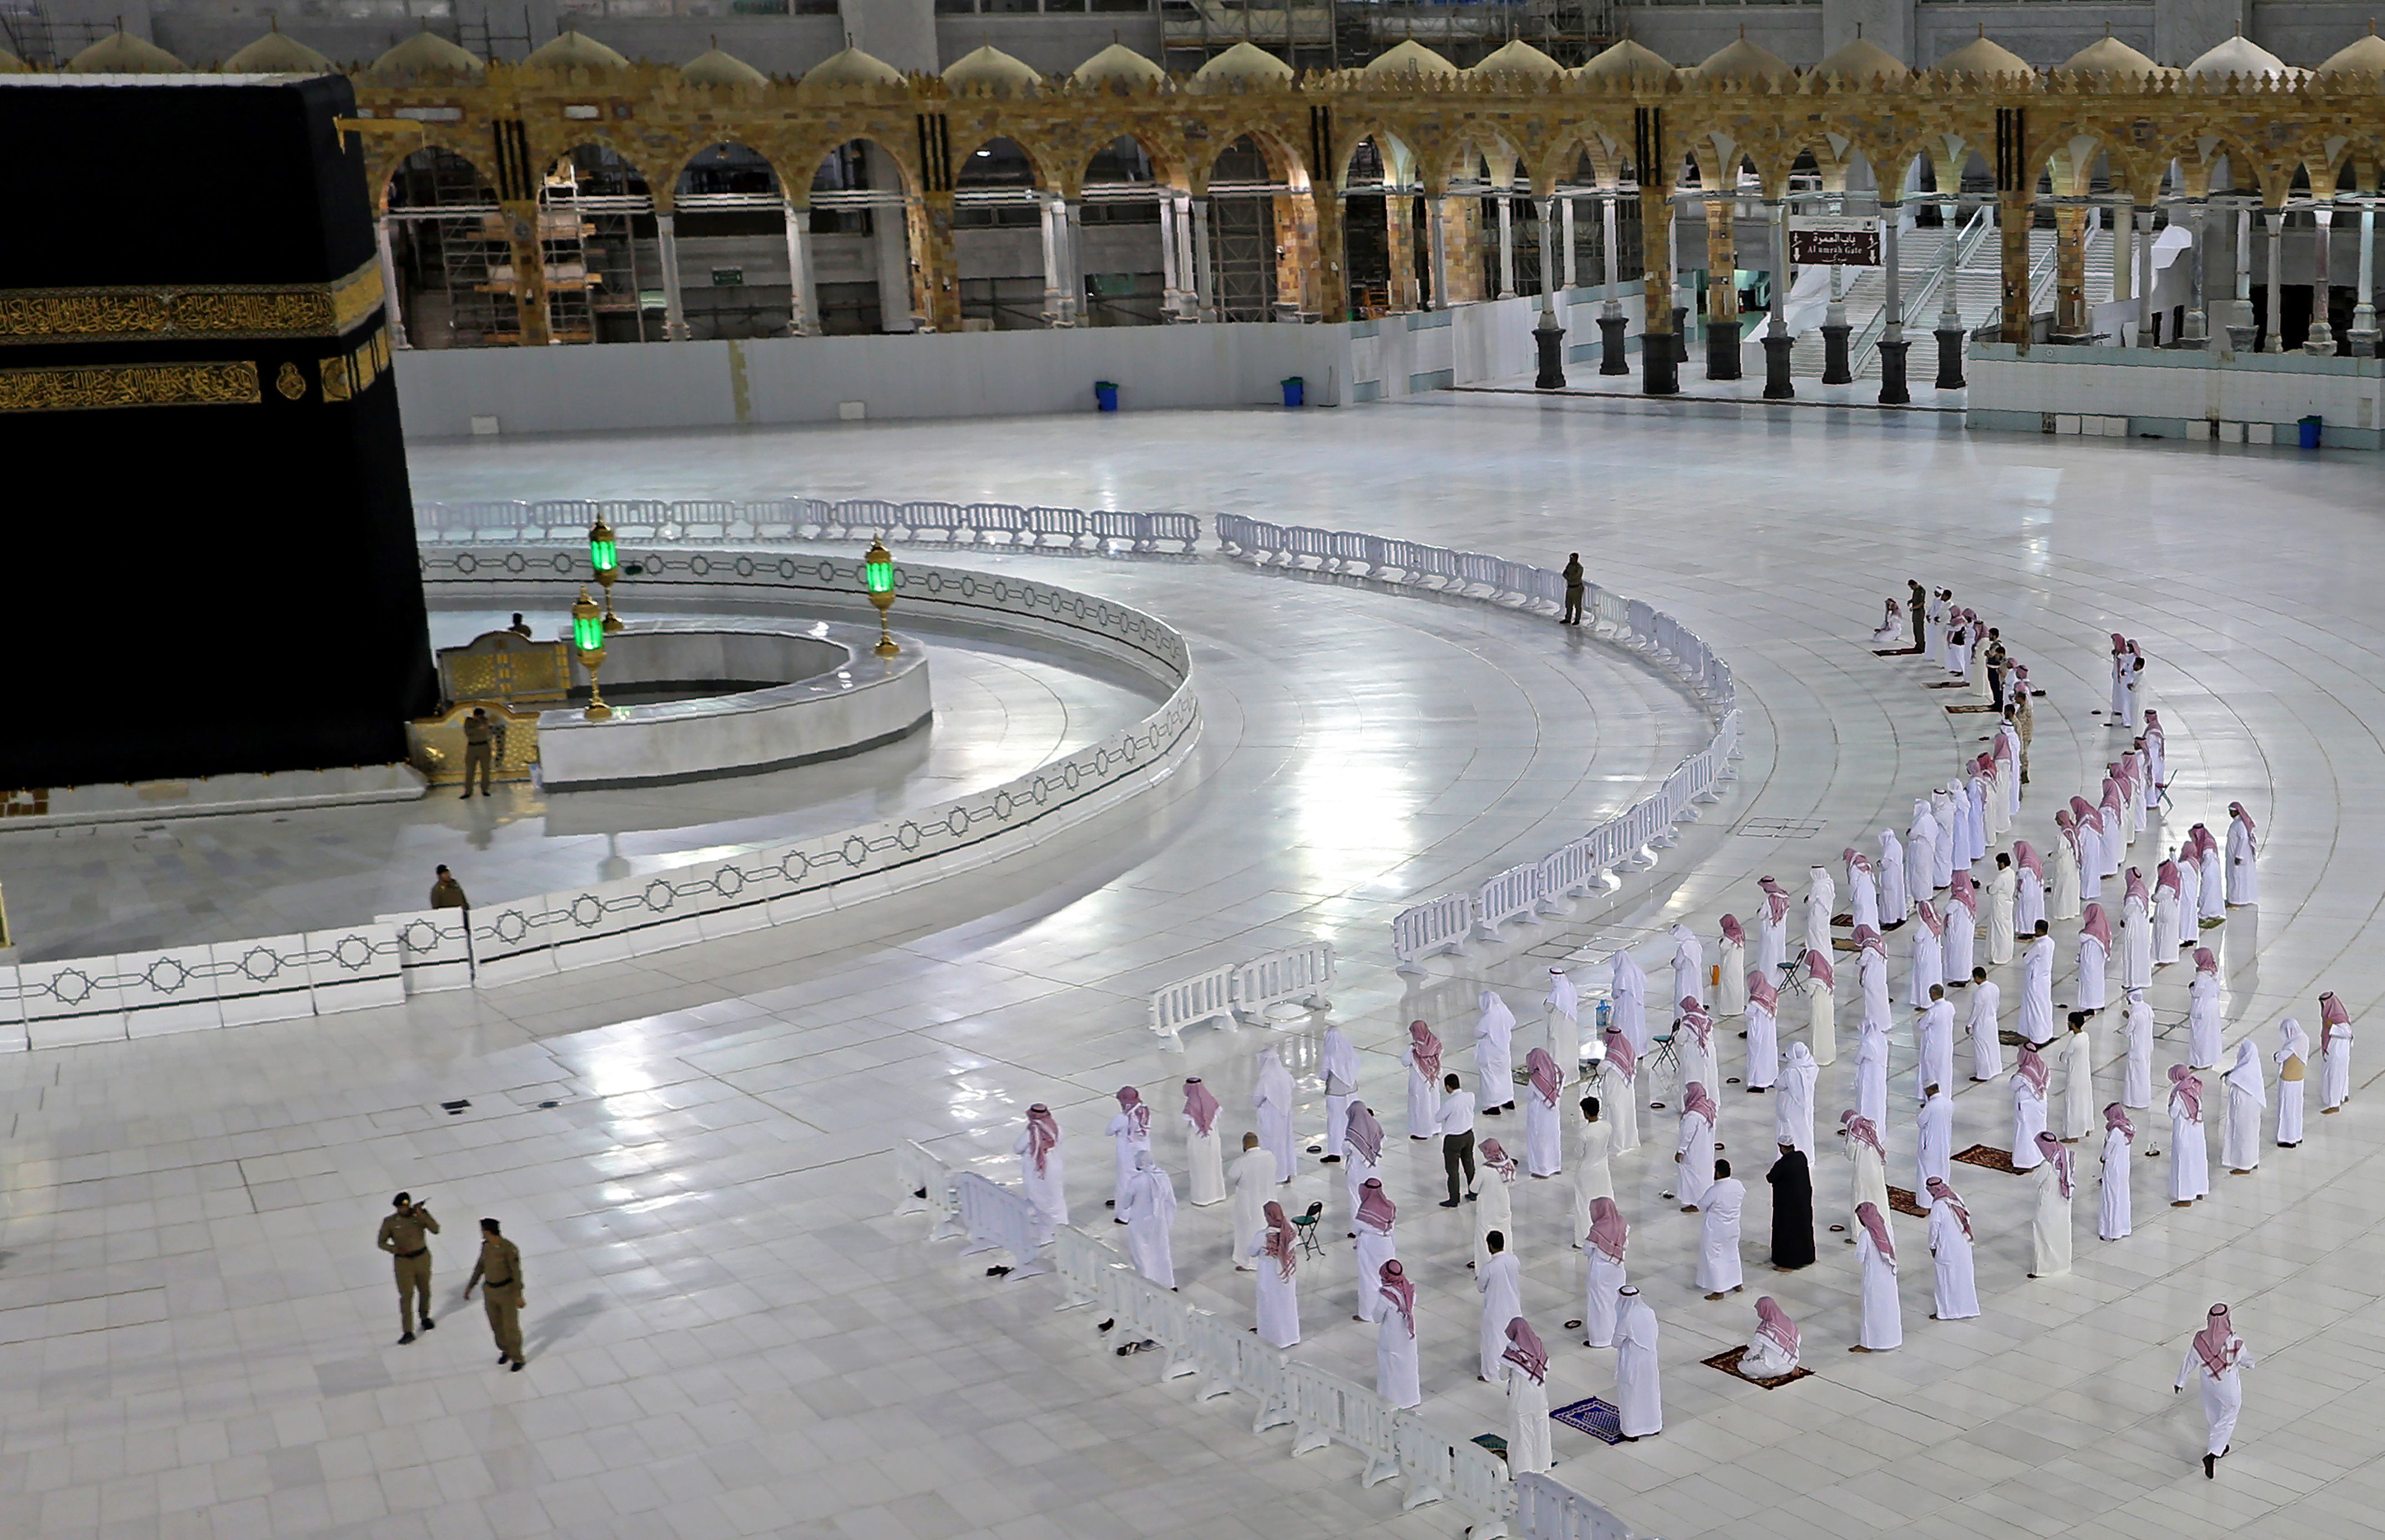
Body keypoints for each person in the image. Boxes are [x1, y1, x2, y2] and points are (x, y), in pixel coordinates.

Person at [2174, 1304, 2255, 1478]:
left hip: (2208, 1385)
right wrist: (2251, 1364)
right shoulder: (2234, 1342)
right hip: (2228, 1386)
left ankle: (2221, 1445)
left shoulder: (2200, 1340)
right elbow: (2246, 1359)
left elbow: (2189, 1361)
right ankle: (2213, 1454)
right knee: (2229, 1416)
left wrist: (2180, 1382)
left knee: (2213, 1415)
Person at [462, 1217, 527, 1370]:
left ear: (487, 1231)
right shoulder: (486, 1247)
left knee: (511, 1327)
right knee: (496, 1325)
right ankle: (506, 1350)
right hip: (490, 1292)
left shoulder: (508, 1248)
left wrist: (518, 1295)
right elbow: (480, 1267)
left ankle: (517, 1357)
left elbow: (516, 1273)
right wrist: (471, 1285)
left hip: (506, 1292)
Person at [376, 1192, 440, 1345]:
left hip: (422, 1258)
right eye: (399, 1207)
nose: (402, 1210)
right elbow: (381, 1242)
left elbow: (436, 1229)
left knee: (425, 1290)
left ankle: (424, 1317)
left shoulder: (419, 1217)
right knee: (406, 1296)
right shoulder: (390, 1222)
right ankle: (408, 1331)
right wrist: (396, 1249)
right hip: (404, 1263)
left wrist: (422, 1215)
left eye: (404, 1207)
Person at [1501, 1318, 1555, 1475]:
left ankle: (1522, 1470)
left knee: (1522, 1435)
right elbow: (1546, 1368)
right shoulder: (1538, 1347)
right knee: (1541, 1432)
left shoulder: (1512, 1353)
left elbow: (1502, 1374)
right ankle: (1543, 1464)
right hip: (1540, 1398)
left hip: (1520, 1400)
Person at [1924, 1177, 1980, 1320]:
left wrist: (1932, 1246)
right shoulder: (1955, 1197)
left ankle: (1947, 1313)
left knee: (1947, 1280)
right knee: (1964, 1278)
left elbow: (1934, 1229)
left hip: (1947, 1248)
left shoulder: (1938, 1206)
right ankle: (1968, 1309)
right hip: (1963, 1245)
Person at [1120, 1152, 1178, 1288]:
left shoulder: (1136, 1182)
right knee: (1161, 1250)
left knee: (1142, 1253)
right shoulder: (1163, 1177)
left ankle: (1146, 1284)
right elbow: (1171, 1201)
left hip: (1140, 1223)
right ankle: (1167, 1281)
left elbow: (1125, 1204)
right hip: (1159, 1221)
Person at [1612, 1287, 1663, 1439]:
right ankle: (1653, 1425)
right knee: (1650, 1391)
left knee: (1632, 1394)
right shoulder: (1649, 1311)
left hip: (1633, 1362)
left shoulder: (1627, 1317)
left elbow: (1616, 1342)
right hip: (1649, 1359)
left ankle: (1632, 1431)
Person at [1853, 1203, 1902, 1352]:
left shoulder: (1866, 1235)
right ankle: (1892, 1339)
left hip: (1874, 1278)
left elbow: (1860, 1258)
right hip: (1888, 1276)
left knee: (1872, 1309)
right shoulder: (1887, 1230)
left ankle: (1870, 1343)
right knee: (1889, 1308)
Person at [1015, 1104, 1067, 1243]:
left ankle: (1047, 1236)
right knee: (1057, 1199)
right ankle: (1063, 1228)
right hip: (1055, 1167)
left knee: (1041, 1201)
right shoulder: (1056, 1128)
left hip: (1038, 1171)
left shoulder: (1032, 1132)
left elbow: (1017, 1148)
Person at [1251, 1202, 1301, 1347]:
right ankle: (1291, 1336)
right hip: (1288, 1275)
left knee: (1270, 1304)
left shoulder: (1263, 1236)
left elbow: (1251, 1251)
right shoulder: (1290, 1228)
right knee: (1287, 1304)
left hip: (1269, 1274)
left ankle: (1273, 1337)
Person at [1476, 1229, 1523, 1381]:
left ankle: (1492, 1374)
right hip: (1513, 1306)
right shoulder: (1514, 1260)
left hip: (1496, 1309)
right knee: (1512, 1339)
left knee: (1494, 1341)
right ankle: (1513, 1367)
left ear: (1490, 1246)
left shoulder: (1489, 1267)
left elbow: (1480, 1287)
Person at [1583, 1196, 1630, 1346]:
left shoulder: (1598, 1230)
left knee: (1600, 1304)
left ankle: (1601, 1339)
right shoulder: (1623, 1223)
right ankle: (1617, 1334)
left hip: (1600, 1272)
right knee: (1615, 1301)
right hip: (1618, 1269)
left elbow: (1587, 1250)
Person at [1697, 1157, 1745, 1299]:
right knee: (1732, 1254)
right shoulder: (1738, 1185)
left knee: (1714, 1258)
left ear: (1718, 1173)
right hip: (1733, 1228)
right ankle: (1737, 1282)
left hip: (1716, 1231)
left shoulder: (1715, 1190)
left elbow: (1701, 1206)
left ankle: (1718, 1290)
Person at [1375, 1261, 1420, 1409]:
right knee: (1408, 1367)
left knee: (1391, 1370)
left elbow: (1376, 1317)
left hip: (1392, 1339)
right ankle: (1411, 1398)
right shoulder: (1410, 1289)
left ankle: (1393, 1401)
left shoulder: (1387, 1296)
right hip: (1407, 1336)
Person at [2028, 1132, 2074, 1277]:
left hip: (2047, 1206)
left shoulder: (2048, 1166)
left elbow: (2036, 1181)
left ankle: (2043, 1269)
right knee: (2060, 1235)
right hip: (2063, 1204)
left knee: (2044, 1237)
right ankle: (2062, 1266)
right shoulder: (2066, 1158)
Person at [1841, 1111, 1891, 1243]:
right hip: (1876, 1172)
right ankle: (1883, 1226)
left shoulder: (1854, 1134)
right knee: (1878, 1197)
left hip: (1862, 1173)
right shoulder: (1869, 1129)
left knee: (1860, 1199)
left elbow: (1850, 1155)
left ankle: (1857, 1234)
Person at [1570, 1095, 1613, 1247]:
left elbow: (1578, 1153)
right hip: (1602, 1168)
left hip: (1586, 1171)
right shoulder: (1607, 1126)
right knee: (1605, 1199)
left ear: (1586, 1113)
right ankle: (1607, 1233)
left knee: (1584, 1204)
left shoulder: (1584, 1133)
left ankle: (1584, 1239)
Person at [1352, 1179, 1396, 1322]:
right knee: (1385, 1276)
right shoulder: (1390, 1206)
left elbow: (1356, 1229)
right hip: (1387, 1245)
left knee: (1370, 1278)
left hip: (1370, 1246)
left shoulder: (1365, 1211)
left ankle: (1368, 1314)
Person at [1474, 1139, 1519, 1276]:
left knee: (1484, 1237)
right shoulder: (1508, 1163)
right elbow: (1511, 1179)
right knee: (1506, 1233)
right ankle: (1506, 1263)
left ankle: (1485, 1268)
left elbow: (1473, 1188)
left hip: (1487, 1208)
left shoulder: (1485, 1170)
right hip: (1503, 1205)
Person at [1229, 1132, 1272, 1270]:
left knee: (1247, 1230)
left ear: (1245, 1145)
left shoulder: (1242, 1161)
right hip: (1268, 1198)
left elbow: (1230, 1178)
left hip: (1249, 1202)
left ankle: (1248, 1262)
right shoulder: (1270, 1156)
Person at [1107, 1087, 1153, 1217]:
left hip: (1127, 1153)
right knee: (1141, 1181)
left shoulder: (1123, 1118)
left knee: (1125, 1183)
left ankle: (1124, 1214)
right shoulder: (1145, 1112)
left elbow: (1109, 1131)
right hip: (1143, 1152)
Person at [1768, 1143, 1814, 1270]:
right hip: (1802, 1202)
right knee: (1803, 1230)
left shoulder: (1783, 1163)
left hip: (1788, 1206)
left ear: (1782, 1148)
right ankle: (1806, 1257)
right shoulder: (1801, 1157)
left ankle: (1788, 1263)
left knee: (1788, 1233)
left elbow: (1770, 1177)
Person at [1251, 1049, 1296, 1182]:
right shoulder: (1285, 1074)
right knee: (1284, 1145)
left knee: (1271, 1146)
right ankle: (1286, 1173)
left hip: (1270, 1118)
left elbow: (1256, 1099)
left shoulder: (1266, 1079)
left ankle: (1276, 1175)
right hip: (1284, 1115)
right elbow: (1293, 1085)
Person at [2222, 1040, 2266, 1173]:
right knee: (2251, 1133)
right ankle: (2252, 1161)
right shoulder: (2253, 1067)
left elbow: (2229, 1081)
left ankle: (2244, 1165)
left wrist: (2229, 1075)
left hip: (2242, 1107)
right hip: (2251, 1106)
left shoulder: (2243, 1070)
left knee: (2242, 1134)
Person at [2169, 1065, 2210, 1205]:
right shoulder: (2195, 1086)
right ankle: (2199, 1190)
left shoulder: (2180, 1093)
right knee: (2197, 1160)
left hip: (2184, 1131)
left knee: (2184, 1162)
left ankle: (2185, 1196)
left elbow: (2173, 1113)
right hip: (2197, 1130)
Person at [1183, 1079, 1226, 1206]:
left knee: (1200, 1169)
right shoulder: (1211, 1101)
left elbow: (1186, 1121)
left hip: (1198, 1142)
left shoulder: (1191, 1106)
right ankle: (1217, 1194)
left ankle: (1202, 1198)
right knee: (1214, 1166)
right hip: (1213, 1140)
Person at [1676, 1083, 1718, 1212]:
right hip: (1705, 1150)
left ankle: (1695, 1203)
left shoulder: (1693, 1116)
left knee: (1693, 1177)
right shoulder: (1708, 1108)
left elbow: (1687, 1135)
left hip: (1693, 1152)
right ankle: (1703, 1201)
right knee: (1703, 1175)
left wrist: (1681, 1151)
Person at [1319, 1025, 1358, 1163]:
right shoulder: (1349, 1051)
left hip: (1335, 1094)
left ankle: (1335, 1152)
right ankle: (1352, 1145)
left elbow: (1323, 1075)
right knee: (1351, 1120)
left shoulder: (1330, 1056)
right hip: (1352, 1092)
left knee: (1335, 1122)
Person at [1437, 1073, 1477, 1208]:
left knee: (1453, 1170)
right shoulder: (1470, 1096)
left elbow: (1438, 1118)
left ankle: (1454, 1199)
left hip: (1454, 1139)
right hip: (1469, 1135)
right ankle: (1474, 1192)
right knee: (1469, 1165)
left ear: (1448, 1087)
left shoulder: (1450, 1103)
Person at [1522, 1049, 1564, 1177]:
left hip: (1539, 1113)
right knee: (1553, 1138)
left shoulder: (1536, 1079)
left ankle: (1541, 1169)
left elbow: (1529, 1095)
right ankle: (1555, 1165)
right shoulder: (1558, 1072)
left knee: (1539, 1139)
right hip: (1554, 1112)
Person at [1341, 1100, 1386, 1217]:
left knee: (1356, 1197)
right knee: (1374, 1196)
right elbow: (1381, 1142)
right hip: (1374, 1168)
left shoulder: (1353, 1134)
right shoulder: (1375, 1126)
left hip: (1356, 1170)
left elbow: (1346, 1149)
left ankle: (1358, 1227)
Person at [1475, 990, 1517, 1114]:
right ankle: (1508, 1100)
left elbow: (1477, 1033)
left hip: (1490, 1054)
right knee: (1505, 1076)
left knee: (1490, 1079)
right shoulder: (1504, 1010)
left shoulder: (1488, 1017)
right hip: (1504, 1051)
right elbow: (1513, 1022)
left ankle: (1493, 1106)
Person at [1601, 1030, 1641, 1154]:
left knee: (1616, 1117)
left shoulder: (1612, 1056)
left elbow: (1601, 1069)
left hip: (1615, 1093)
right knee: (1627, 1115)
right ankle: (1628, 1142)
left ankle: (1616, 1145)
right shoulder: (1628, 1049)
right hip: (1627, 1092)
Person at [1776, 1041, 1819, 1157]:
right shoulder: (1812, 1068)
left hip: (1790, 1107)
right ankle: (1807, 1156)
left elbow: (1778, 1084)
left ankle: (1787, 1158)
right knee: (1805, 1131)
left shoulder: (1791, 1072)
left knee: (1790, 1132)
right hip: (1806, 1107)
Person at [2056, 1012, 2095, 1140]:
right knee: (2084, 1102)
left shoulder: (2074, 1041)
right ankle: (2086, 1128)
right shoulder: (2086, 1036)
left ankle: (2073, 1135)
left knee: (2073, 1105)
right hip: (2084, 1075)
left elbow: (2064, 1058)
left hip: (2075, 1077)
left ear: (2072, 1024)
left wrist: (2062, 1055)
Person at [2099, 1103, 2135, 1241]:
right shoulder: (2128, 1127)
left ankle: (2112, 1231)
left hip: (2113, 1168)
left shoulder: (2115, 1132)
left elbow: (2107, 1153)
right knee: (2122, 1196)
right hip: (2124, 1166)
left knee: (2111, 1198)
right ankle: (2124, 1228)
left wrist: (2102, 1158)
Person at [1743, 1297, 1802, 1379]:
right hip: (1792, 1363)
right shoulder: (1790, 1323)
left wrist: (1746, 1357)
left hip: (1772, 1368)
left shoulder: (1764, 1330)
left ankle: (1760, 1376)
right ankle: (1789, 1371)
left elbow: (1754, 1352)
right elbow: (1797, 1341)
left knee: (1742, 1367)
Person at [2012, 1044, 2050, 1170]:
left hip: (2026, 1106)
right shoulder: (2044, 1068)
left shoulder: (2025, 1072)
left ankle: (2025, 1162)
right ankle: (2039, 1156)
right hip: (2041, 1103)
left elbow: (2013, 1085)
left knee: (2025, 1133)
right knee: (2038, 1129)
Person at [1404, 1020, 1444, 1139]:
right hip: (1434, 1079)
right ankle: (1436, 1128)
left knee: (1421, 1107)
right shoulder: (1436, 1044)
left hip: (1420, 1082)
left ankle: (1422, 1132)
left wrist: (1411, 1049)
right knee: (1434, 1104)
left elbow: (1405, 1061)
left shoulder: (1415, 1049)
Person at [2273, 1018, 2309, 1148]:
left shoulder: (2292, 1045)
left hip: (2288, 1081)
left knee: (2287, 1109)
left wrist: (2276, 1055)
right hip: (2299, 1079)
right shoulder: (2304, 1038)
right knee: (2297, 1109)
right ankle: (2296, 1135)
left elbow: (2280, 1057)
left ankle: (2287, 1138)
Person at [1916, 985, 1955, 1104]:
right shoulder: (1950, 1006)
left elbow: (1922, 1025)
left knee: (1931, 1072)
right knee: (1944, 1071)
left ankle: (1931, 1098)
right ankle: (1945, 1095)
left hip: (1933, 1047)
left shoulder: (1933, 1011)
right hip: (1946, 1045)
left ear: (1934, 995)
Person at [1917, 1082, 1953, 1205]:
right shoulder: (1949, 1103)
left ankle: (1925, 1204)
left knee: (1927, 1172)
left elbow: (1921, 1122)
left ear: (1930, 1091)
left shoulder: (1931, 1106)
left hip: (1930, 1145)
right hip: (1944, 1143)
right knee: (1943, 1168)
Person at [1744, 971, 1780, 1092]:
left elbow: (1750, 1013)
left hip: (1759, 1031)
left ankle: (1759, 1083)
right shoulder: (1771, 991)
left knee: (1758, 1055)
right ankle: (1770, 1079)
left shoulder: (1756, 999)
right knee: (1769, 1054)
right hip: (1770, 1031)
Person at [2188, 949, 2224, 1069]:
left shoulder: (2202, 975)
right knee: (2211, 1034)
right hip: (2213, 1005)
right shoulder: (2215, 971)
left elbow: (2197, 992)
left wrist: (2191, 988)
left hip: (2202, 1007)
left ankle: (2200, 1062)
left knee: (2200, 1035)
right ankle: (2210, 1059)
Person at [1966, 967, 2004, 1082]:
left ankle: (1983, 1074)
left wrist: (1969, 1024)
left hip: (1982, 1023)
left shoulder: (1979, 993)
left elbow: (1977, 1010)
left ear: (1977, 977)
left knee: (1981, 1048)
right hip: (1992, 1021)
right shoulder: (1995, 987)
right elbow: (1997, 1004)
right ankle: (1995, 1069)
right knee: (1992, 1046)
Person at [1545, 968, 1581, 1085]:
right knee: (1569, 1049)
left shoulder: (1557, 992)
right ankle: (1572, 1076)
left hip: (1559, 1025)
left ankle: (1558, 1077)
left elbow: (1548, 1007)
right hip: (1570, 1024)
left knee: (1558, 1049)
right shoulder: (1570, 987)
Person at [1801, 949, 1836, 1066]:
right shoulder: (1826, 970)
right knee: (1827, 1029)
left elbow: (1809, 993)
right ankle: (1829, 1055)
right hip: (1828, 1006)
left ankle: (1818, 1057)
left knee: (1818, 1030)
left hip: (1818, 1007)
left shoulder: (1815, 978)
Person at [1855, 1014, 1890, 1132]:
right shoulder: (1881, 1039)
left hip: (1868, 1076)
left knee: (1866, 1100)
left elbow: (1858, 1059)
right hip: (1879, 1076)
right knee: (1878, 1102)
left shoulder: (1868, 1042)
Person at [1610, 947, 1648, 1053]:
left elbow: (1616, 993)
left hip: (1625, 1007)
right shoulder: (1636, 970)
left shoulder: (1622, 973)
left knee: (1625, 1028)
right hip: (1637, 1006)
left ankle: (1625, 1050)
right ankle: (1639, 1050)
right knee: (1637, 1028)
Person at [1908, 901, 1945, 1009]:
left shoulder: (1925, 926)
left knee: (1924, 978)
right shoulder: (1936, 922)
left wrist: (1914, 937)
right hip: (1934, 956)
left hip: (1925, 956)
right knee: (1933, 976)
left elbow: (1918, 938)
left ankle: (1925, 1002)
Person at [2321, 992, 2354, 1113]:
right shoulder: (2332, 1017)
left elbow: (2347, 1033)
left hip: (2338, 1054)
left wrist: (2332, 1027)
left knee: (2335, 1077)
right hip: (2337, 1053)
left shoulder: (2339, 1018)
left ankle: (2334, 1105)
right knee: (2341, 1075)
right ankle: (2343, 1096)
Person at [2076, 903, 2111, 1014]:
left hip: (2090, 960)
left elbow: (2082, 936)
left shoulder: (2093, 929)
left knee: (2089, 982)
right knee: (2098, 982)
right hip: (2098, 961)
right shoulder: (2103, 925)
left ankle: (2090, 1006)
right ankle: (2099, 1003)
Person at [1942, 873, 1977, 985]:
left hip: (1958, 932)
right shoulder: (1968, 896)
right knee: (1965, 954)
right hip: (1966, 931)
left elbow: (1948, 909)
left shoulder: (1958, 899)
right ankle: (1965, 975)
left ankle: (1959, 978)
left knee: (1957, 954)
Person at [2123, 989, 2155, 1109]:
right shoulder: (2147, 1008)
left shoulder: (2135, 1013)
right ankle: (2144, 1099)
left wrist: (2128, 1018)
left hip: (2136, 1049)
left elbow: (2128, 1032)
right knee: (2144, 1073)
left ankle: (2134, 1101)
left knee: (2134, 1075)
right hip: (2147, 1047)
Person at [1986, 853, 2017, 967]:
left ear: (2002, 864)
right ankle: (2007, 955)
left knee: (1999, 931)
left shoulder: (2002, 877)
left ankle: (1999, 957)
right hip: (2007, 906)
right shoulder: (2011, 873)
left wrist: (1989, 888)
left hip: (1999, 908)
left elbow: (1992, 890)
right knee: (2007, 930)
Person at [1755, 876, 1790, 974]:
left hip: (1770, 930)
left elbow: (1762, 915)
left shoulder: (1770, 900)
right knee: (1779, 951)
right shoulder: (1784, 896)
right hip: (1781, 930)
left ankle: (1768, 976)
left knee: (1768, 954)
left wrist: (1759, 911)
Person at [2226, 802, 2259, 905]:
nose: (2230, 814)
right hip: (2233, 855)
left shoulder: (2240, 824)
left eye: (2232, 812)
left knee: (2238, 878)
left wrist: (2238, 855)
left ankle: (2237, 900)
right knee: (2235, 878)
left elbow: (2244, 839)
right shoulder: (2237, 823)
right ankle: (2236, 899)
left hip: (2239, 857)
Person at [1715, 916, 1748, 1016]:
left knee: (1728, 987)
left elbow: (1723, 948)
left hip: (1729, 965)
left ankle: (1727, 1010)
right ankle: (1738, 1008)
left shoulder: (1728, 938)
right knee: (1737, 986)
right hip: (1738, 965)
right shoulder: (1740, 933)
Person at [460, 707, 496, 797]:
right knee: (470, 770)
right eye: (477, 716)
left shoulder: (485, 722)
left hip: (483, 746)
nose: (478, 718)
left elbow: (486, 731)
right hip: (472, 747)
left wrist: (478, 728)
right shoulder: (469, 721)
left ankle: (485, 789)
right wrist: (478, 728)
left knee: (485, 769)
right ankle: (468, 791)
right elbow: (468, 732)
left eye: (480, 716)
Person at [1670, 923, 1705, 1015]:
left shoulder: (1683, 948)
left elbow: (1678, 963)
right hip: (1695, 975)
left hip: (1684, 976)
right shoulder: (1696, 944)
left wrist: (1672, 962)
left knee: (1683, 995)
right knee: (1696, 993)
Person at [2013, 842, 2046, 937]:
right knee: (2034, 911)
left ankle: (2028, 931)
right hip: (2036, 890)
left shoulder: (2025, 864)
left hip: (2028, 890)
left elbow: (2021, 876)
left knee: (2027, 911)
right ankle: (2034, 929)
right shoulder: (2033, 859)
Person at [1879, 828, 1910, 927]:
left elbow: (1885, 865)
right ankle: (1900, 916)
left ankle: (1890, 919)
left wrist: (1879, 863)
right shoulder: (1897, 845)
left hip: (1889, 877)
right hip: (1897, 877)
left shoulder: (1888, 849)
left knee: (1889, 900)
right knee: (1898, 897)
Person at [1846, 847, 1881, 934]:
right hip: (1870, 894)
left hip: (1860, 894)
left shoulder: (1855, 868)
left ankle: (1863, 934)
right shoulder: (1868, 866)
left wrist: (1851, 897)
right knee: (1871, 913)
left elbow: (1853, 883)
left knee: (1861, 915)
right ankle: (1875, 932)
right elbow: (1874, 881)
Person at [1803, 865, 1835, 958]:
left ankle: (1817, 959)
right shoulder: (1829, 883)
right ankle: (1827, 958)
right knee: (1824, 936)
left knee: (1815, 936)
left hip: (1816, 914)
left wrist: (1807, 899)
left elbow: (1811, 901)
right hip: (1825, 915)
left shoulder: (1818, 886)